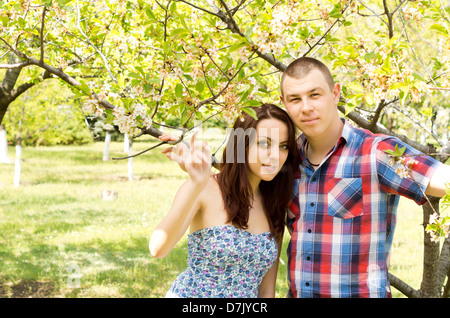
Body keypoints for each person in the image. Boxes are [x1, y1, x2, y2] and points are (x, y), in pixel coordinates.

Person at [279, 56, 450, 298]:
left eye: (314, 94)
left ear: (335, 93)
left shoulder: (376, 152)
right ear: (284, 102)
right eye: (295, 99)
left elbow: (438, 176)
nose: (305, 107)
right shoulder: (286, 163)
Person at [149, 103, 300, 298]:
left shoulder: (274, 204)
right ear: (241, 144)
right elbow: (158, 249)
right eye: (265, 143)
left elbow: (266, 291)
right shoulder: (204, 188)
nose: (275, 156)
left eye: (283, 146)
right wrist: (196, 183)